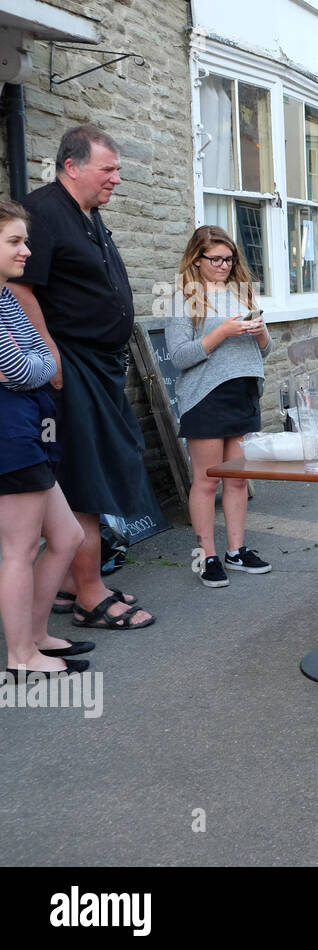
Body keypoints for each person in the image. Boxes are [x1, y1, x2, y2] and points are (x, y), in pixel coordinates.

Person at [11, 125, 156, 629]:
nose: (116, 178)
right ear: (72, 166)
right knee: (86, 475)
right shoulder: (44, 212)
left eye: (117, 169)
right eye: (108, 169)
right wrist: (49, 352)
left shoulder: (86, 213)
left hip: (98, 363)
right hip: (71, 364)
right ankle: (91, 595)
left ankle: (72, 581)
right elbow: (23, 287)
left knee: (102, 463)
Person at [0, 200, 92, 675]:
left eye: (26, 240)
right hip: (8, 437)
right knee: (19, 549)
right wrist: (30, 364)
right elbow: (20, 367)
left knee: (67, 535)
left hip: (27, 429)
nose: (26, 251)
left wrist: (29, 364)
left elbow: (41, 359)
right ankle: (19, 658)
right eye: (15, 241)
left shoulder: (6, 298)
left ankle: (36, 636)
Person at [166, 227, 273, 588]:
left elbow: (265, 349)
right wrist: (221, 333)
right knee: (207, 482)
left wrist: (259, 332)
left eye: (229, 259)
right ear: (197, 259)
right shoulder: (183, 299)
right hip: (205, 396)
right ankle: (206, 556)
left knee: (238, 479)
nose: (225, 265)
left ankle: (236, 551)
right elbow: (179, 357)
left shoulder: (240, 292)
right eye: (216, 259)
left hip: (243, 392)